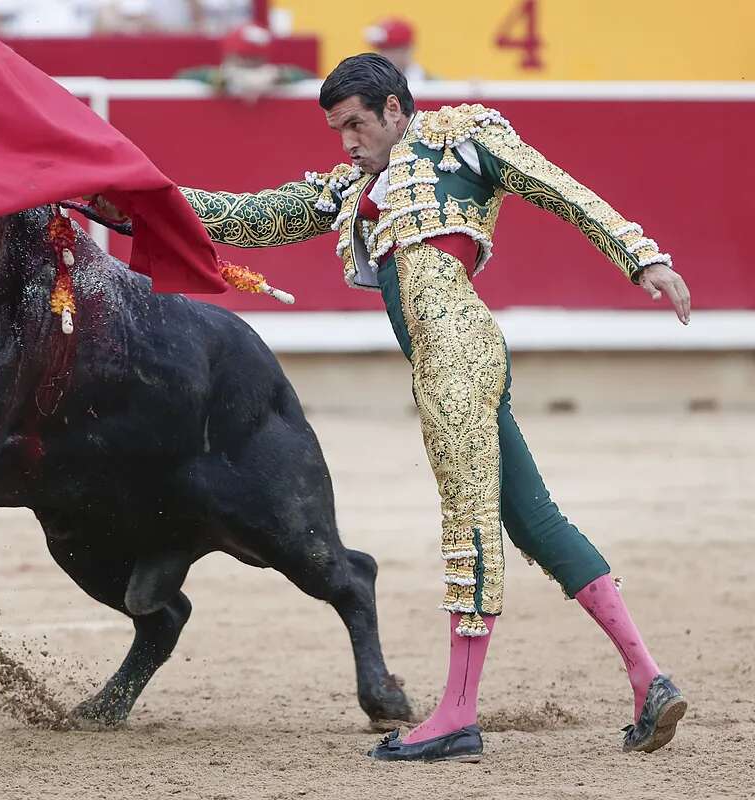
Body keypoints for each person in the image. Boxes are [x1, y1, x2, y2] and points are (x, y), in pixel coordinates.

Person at [125, 54, 690, 762]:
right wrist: (139, 197)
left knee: (468, 524)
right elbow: (247, 217)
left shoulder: (463, 137)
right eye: (338, 130)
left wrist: (643, 258)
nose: (348, 141)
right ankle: (649, 679)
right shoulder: (351, 187)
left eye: (357, 124)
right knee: (534, 521)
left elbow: (560, 189)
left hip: (455, 349)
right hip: (449, 357)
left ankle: (456, 714)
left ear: (396, 109)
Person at [177, 23, 314, 102]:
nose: (249, 62)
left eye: (255, 57)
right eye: (243, 57)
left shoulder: (272, 74)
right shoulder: (216, 75)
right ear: (229, 56)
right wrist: (224, 80)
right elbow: (181, 77)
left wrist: (277, 77)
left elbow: (312, 79)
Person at [365, 17, 433, 83]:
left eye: (391, 49)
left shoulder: (433, 85)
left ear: (407, 48)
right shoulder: (369, 81)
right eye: (381, 49)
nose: (383, 55)